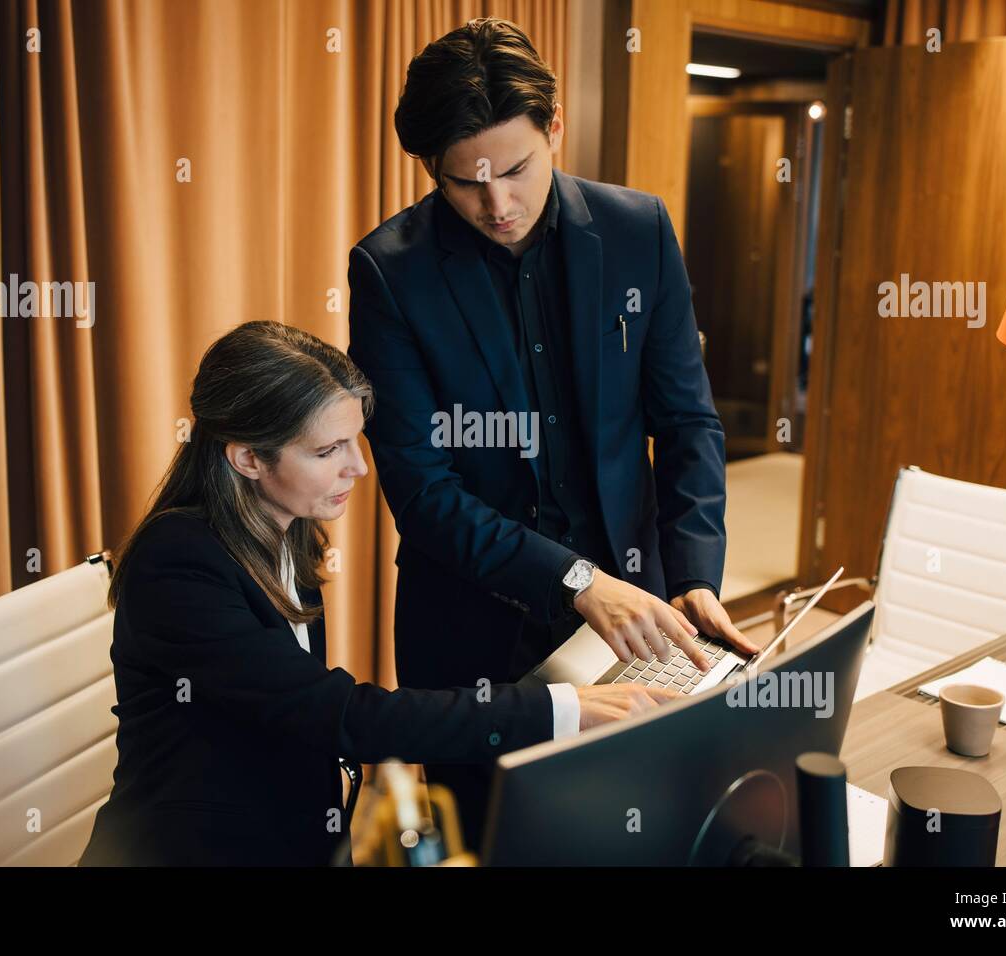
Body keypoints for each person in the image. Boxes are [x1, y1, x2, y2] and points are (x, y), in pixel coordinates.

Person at [347, 18, 759, 851]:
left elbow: (686, 423)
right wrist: (576, 580)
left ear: (555, 127)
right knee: (494, 841)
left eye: (516, 170)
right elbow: (424, 495)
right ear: (434, 170)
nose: (496, 205)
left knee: (635, 828)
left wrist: (695, 574)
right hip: (471, 629)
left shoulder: (640, 230)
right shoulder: (389, 272)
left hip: (637, 607)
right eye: (466, 183)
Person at [77, 321, 671, 866]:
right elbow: (339, 714)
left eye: (355, 441)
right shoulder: (179, 565)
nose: (358, 468)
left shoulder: (288, 529)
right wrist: (559, 710)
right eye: (327, 450)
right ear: (248, 458)